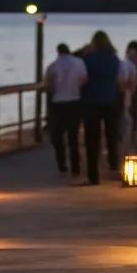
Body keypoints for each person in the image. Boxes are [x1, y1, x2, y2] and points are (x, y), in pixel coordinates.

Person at [80, 29, 121, 183]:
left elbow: (82, 78)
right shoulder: (114, 59)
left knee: (92, 138)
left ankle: (93, 175)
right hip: (110, 99)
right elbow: (119, 78)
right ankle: (113, 166)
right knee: (111, 135)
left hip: (91, 101)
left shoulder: (88, 59)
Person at [44, 42, 87, 175]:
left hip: (58, 104)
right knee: (73, 136)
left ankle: (61, 163)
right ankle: (75, 166)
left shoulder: (53, 66)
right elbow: (84, 79)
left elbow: (48, 84)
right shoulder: (79, 63)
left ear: (58, 52)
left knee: (57, 136)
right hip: (74, 102)